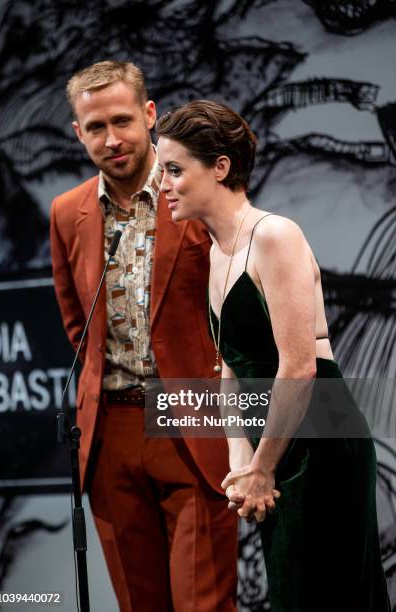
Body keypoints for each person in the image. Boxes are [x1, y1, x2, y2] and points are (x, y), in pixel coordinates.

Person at [156, 99, 390, 612]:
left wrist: (262, 467)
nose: (162, 184)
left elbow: (300, 367)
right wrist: (243, 466)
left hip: (322, 437)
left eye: (173, 169)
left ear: (220, 166)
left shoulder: (274, 234)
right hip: (274, 443)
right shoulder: (217, 250)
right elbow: (233, 373)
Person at [50, 63, 237, 612]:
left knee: (204, 602)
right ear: (77, 133)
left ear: (150, 115)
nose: (112, 140)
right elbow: (75, 323)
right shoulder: (67, 213)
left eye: (123, 121)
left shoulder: (202, 191)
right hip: (112, 430)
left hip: (194, 418)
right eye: (95, 127)